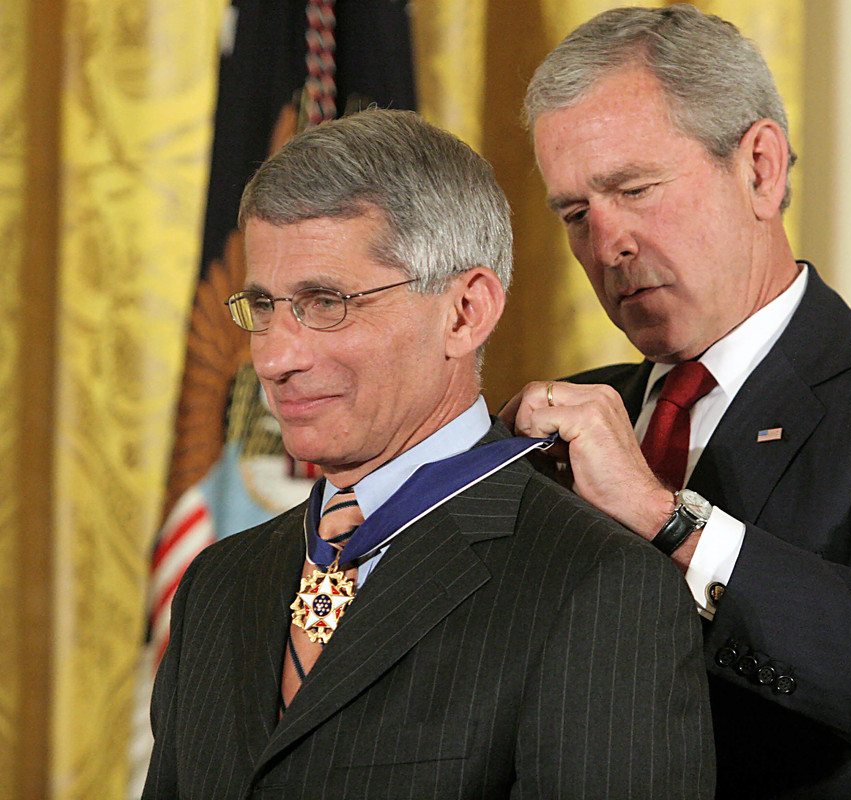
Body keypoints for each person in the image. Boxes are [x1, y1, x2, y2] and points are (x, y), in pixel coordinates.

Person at [501, 6, 851, 798]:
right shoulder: (559, 428)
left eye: (636, 189)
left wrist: (668, 519)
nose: (606, 244)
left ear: (760, 166)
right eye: (576, 214)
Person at [143, 108, 714, 799]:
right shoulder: (216, 583)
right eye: (264, 306)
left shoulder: (595, 587)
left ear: (465, 312)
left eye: (325, 302)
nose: (276, 357)